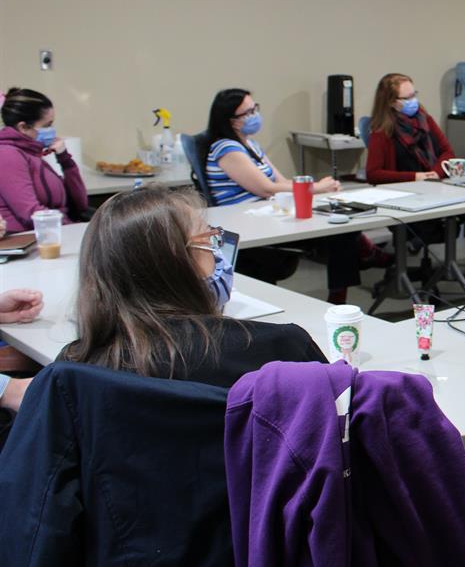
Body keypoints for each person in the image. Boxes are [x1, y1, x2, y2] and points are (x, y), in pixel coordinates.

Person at [59, 187, 326, 386]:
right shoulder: (280, 349)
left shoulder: (74, 367)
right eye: (209, 239)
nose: (217, 252)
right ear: (179, 264)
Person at [202, 88, 366, 304]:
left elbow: (281, 182)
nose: (254, 116)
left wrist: (315, 186)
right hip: (250, 224)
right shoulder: (227, 149)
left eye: (255, 109)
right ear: (231, 120)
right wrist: (315, 188)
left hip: (270, 213)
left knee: (342, 230)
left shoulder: (250, 145)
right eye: (247, 113)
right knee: (341, 237)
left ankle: (339, 295)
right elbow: (266, 189)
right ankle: (358, 265)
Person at [365, 73, 465, 294]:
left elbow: (447, 151)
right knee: (440, 223)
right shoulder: (382, 130)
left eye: (413, 95)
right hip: (408, 200)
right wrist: (416, 177)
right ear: (391, 102)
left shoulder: (423, 118)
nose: (413, 102)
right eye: (406, 98)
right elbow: (374, 174)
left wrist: (434, 173)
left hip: (438, 189)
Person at [0, 88, 88, 232]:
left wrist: (65, 159)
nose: (52, 130)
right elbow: (31, 213)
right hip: (31, 242)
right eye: (47, 125)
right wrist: (76, 230)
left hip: (52, 234)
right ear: (23, 127)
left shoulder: (32, 153)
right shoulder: (7, 155)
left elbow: (80, 205)